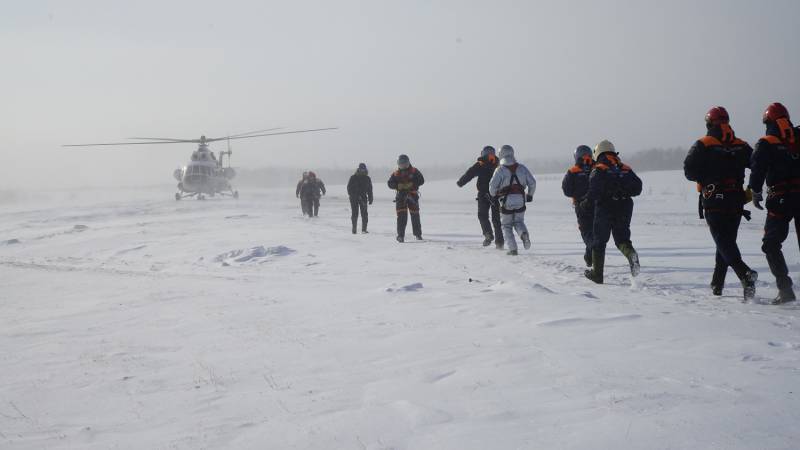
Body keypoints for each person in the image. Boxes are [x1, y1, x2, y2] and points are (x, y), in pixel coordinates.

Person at [684, 106, 757, 300]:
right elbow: (757, 164)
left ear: (709, 123)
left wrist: (706, 177)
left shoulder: (703, 144)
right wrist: (751, 186)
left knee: (722, 241)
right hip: (736, 200)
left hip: (714, 199)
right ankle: (717, 284)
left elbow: (688, 170)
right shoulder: (741, 145)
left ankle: (745, 274)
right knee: (725, 242)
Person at [749, 102, 800, 304]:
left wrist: (755, 191)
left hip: (780, 199)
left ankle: (785, 289)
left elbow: (757, 169)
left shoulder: (766, 142)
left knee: (771, 244)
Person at [580, 140, 642, 284]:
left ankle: (597, 274)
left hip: (605, 208)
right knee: (622, 239)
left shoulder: (599, 168)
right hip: (625, 206)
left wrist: (584, 205)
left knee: (599, 241)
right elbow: (638, 187)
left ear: (598, 153)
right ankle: (631, 255)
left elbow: (593, 193)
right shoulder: (625, 168)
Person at [488, 145, 537, 256]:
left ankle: (513, 249)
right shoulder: (522, 168)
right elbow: (532, 183)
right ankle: (523, 234)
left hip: (506, 202)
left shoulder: (500, 170)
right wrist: (530, 195)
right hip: (521, 199)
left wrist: (493, 195)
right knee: (519, 221)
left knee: (506, 225)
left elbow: (492, 187)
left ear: (501, 155)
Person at [457, 146, 504, 249]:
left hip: (483, 194)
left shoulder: (481, 164)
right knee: (496, 219)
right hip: (497, 195)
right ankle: (499, 242)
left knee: (482, 215)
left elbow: (469, 174)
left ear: (483, 153)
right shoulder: (499, 164)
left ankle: (488, 234)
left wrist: (460, 183)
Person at [562, 145, 595, 266]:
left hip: (581, 206)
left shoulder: (573, 171)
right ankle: (589, 256)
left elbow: (566, 190)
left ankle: (592, 251)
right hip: (598, 204)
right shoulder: (597, 167)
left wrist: (578, 194)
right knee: (594, 230)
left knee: (586, 231)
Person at [388, 154, 425, 242]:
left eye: (405, 163)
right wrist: (397, 185)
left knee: (415, 215)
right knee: (401, 217)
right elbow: (389, 183)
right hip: (401, 197)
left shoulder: (414, 171)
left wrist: (412, 184)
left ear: (408, 163)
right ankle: (400, 236)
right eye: (401, 164)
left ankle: (418, 234)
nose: (403, 165)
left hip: (412, 196)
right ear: (398, 164)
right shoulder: (395, 173)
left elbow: (421, 180)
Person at [347, 163, 374, 234]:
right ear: (358, 169)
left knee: (364, 214)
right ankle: (354, 229)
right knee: (355, 213)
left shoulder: (367, 178)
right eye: (361, 169)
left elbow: (370, 189)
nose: (362, 170)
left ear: (365, 169)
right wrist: (353, 195)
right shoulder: (353, 177)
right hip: (354, 198)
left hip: (363, 197)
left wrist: (370, 197)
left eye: (364, 169)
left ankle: (364, 229)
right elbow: (349, 188)